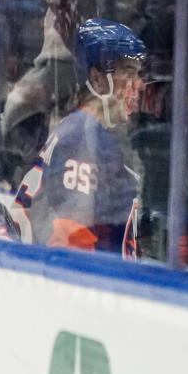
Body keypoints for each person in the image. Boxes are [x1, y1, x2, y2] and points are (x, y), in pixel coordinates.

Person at [8, 18, 145, 254]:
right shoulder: (83, 139)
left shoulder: (86, 131)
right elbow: (71, 243)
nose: (140, 85)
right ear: (98, 79)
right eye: (129, 73)